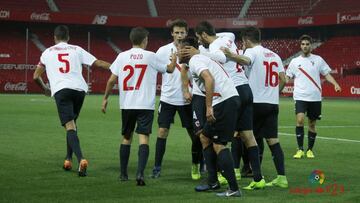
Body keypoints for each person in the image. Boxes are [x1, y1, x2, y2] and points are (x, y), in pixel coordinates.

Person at [182, 21, 265, 190]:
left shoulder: (213, 47)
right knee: (248, 135)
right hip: (245, 88)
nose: (199, 42)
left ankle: (226, 177)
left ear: (204, 35)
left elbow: (220, 57)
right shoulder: (227, 38)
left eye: (199, 38)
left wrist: (200, 52)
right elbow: (231, 35)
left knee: (223, 139)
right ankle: (258, 177)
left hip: (231, 91)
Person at [101, 27, 176, 186]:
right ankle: (140, 174)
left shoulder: (121, 56)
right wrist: (174, 58)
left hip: (127, 104)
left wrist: (105, 98)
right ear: (144, 41)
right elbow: (169, 69)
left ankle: (123, 174)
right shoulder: (151, 56)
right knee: (144, 139)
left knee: (126, 138)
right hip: (145, 105)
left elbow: (111, 80)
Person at [33, 25, 111, 177]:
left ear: (55, 38)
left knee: (70, 127)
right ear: (68, 38)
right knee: (72, 125)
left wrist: (45, 89)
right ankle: (68, 159)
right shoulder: (77, 49)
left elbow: (36, 76)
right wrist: (117, 68)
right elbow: (98, 63)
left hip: (62, 90)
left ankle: (81, 159)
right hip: (80, 90)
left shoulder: (47, 52)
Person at [222, 26, 288, 188]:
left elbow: (246, 60)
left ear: (246, 40)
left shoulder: (251, 52)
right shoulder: (274, 55)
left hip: (255, 102)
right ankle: (282, 177)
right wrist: (273, 93)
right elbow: (284, 79)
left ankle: (238, 171)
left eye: (243, 42)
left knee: (241, 135)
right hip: (272, 103)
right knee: (273, 141)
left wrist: (232, 55)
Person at [179, 37, 241, 197]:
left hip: (223, 101)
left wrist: (208, 107)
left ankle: (234, 189)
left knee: (219, 144)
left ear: (186, 50)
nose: (175, 53)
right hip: (228, 99)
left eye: (178, 49)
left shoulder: (195, 60)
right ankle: (213, 181)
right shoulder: (197, 60)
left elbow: (209, 79)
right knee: (205, 137)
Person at [151, 19, 203, 180]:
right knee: (162, 131)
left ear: (187, 34)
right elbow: (157, 70)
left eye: (182, 32)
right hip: (168, 98)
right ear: (172, 33)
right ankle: (157, 167)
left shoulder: (195, 50)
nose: (180, 35)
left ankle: (200, 163)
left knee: (195, 134)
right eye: (177, 32)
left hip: (188, 99)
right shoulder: (162, 51)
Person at [286, 35, 341, 159]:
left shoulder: (318, 60)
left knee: (312, 124)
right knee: (300, 120)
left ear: (311, 45)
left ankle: (310, 150)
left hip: (315, 97)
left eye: (307, 44)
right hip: (300, 96)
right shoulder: (294, 62)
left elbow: (326, 74)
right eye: (303, 44)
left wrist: (335, 84)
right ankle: (300, 149)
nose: (305, 46)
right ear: (300, 46)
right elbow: (288, 76)